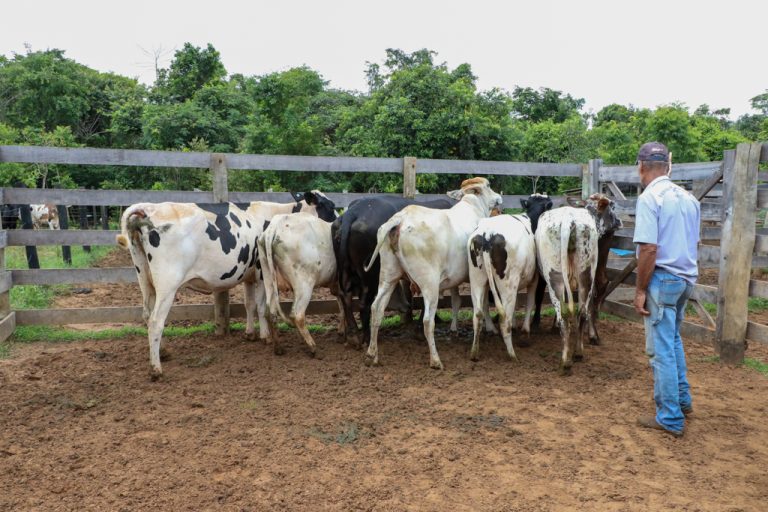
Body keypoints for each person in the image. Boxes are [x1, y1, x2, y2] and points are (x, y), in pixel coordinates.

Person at [632, 141, 700, 438]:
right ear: (667, 166)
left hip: (663, 280)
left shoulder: (650, 198)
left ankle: (670, 417)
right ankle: (683, 402)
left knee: (661, 351)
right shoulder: (689, 198)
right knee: (673, 342)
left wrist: (639, 290)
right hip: (686, 279)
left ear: (641, 167)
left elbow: (648, 248)